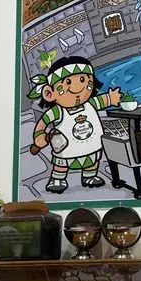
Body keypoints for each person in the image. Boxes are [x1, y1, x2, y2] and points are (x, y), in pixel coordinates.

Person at [27, 56, 121, 194]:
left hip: (92, 146)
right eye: (68, 82)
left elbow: (104, 100)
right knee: (61, 165)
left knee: (92, 162)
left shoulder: (90, 104)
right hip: (66, 149)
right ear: (49, 94)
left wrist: (111, 98)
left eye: (83, 80)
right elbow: (42, 123)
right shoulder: (57, 111)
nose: (78, 87)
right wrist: (40, 136)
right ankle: (58, 179)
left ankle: (89, 176)